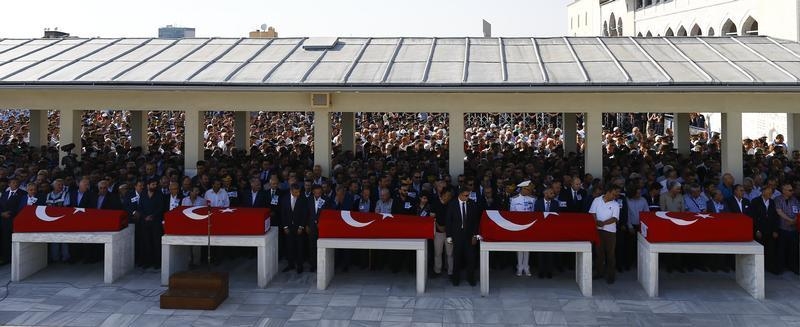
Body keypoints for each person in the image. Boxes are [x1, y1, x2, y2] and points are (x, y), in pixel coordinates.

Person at [446, 188, 480, 286]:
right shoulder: (452, 204)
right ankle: (456, 279)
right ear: (460, 195)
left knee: (471, 258)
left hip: (469, 235)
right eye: (466, 195)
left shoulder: (472, 204)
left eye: (468, 195)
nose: (467, 197)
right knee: (457, 258)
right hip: (457, 235)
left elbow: (475, 221)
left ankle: (471, 278)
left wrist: (475, 235)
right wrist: (449, 235)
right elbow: (449, 220)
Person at [590, 184, 620, 284]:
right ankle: (599, 273)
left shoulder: (615, 204)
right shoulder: (597, 200)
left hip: (610, 232)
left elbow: (615, 218)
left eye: (616, 195)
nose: (615, 197)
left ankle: (611, 276)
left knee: (610, 254)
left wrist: (603, 223)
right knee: (599, 253)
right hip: (597, 230)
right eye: (614, 194)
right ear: (608, 192)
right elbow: (592, 213)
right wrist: (596, 222)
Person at [749, 185, 780, 274]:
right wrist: (757, 230)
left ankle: (769, 267)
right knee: (759, 250)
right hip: (760, 230)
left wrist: (775, 230)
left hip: (770, 230)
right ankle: (758, 268)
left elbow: (775, 217)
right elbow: (753, 217)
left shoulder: (772, 202)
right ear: (763, 192)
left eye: (771, 192)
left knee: (770, 250)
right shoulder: (755, 201)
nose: (770, 194)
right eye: (768, 192)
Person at [68, 178, 97, 263]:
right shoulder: (71, 193)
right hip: (73, 220)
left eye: (88, 184)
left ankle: (88, 258)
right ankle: (74, 257)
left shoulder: (92, 195)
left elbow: (93, 207)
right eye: (85, 184)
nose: (87, 186)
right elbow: (68, 206)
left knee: (86, 239)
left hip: (86, 220)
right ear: (78, 184)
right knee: (73, 239)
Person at [509, 180, 535, 277]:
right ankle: (519, 267)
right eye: (526, 189)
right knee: (519, 247)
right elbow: (512, 213)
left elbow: (534, 213)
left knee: (527, 248)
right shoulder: (514, 199)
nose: (528, 191)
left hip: (529, 226)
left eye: (529, 189)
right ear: (522, 189)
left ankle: (526, 267)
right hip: (518, 226)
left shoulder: (533, 199)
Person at [281, 183, 308, 273]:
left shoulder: (303, 199)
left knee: (300, 247)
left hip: (299, 227)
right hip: (288, 227)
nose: (298, 194)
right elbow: (283, 214)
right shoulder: (284, 199)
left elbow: (305, 214)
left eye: (299, 192)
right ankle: (290, 265)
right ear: (291, 191)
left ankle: (300, 266)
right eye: (296, 192)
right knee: (289, 247)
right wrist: (285, 227)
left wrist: (301, 227)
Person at [139, 179, 165, 269]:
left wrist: (153, 215)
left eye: (155, 184)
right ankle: (147, 262)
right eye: (152, 184)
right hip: (145, 222)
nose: (154, 186)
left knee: (156, 243)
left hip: (156, 222)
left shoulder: (159, 194)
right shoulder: (143, 194)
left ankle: (157, 263)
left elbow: (161, 207)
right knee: (146, 242)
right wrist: (144, 216)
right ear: (148, 185)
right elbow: (140, 207)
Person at [534, 187, 559, 278]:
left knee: (550, 252)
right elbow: (535, 216)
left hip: (551, 231)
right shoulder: (538, 202)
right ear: (545, 194)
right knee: (540, 252)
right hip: (540, 230)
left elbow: (557, 217)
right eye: (551, 193)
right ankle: (541, 271)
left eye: (553, 193)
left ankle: (549, 271)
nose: (553, 194)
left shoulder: (555, 203)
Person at [0, 178, 26, 264]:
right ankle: (5, 258)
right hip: (3, 221)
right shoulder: (4, 193)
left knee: (13, 240)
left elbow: (21, 207)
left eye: (17, 183)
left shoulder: (23, 194)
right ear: (9, 184)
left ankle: (14, 259)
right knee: (4, 240)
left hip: (14, 220)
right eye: (13, 182)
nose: (15, 184)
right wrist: (2, 213)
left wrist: (10, 213)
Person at [774, 183, 799, 274]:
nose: (792, 191)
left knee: (793, 249)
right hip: (782, 228)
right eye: (790, 190)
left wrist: (794, 221)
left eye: (792, 190)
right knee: (781, 249)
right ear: (783, 191)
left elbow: (798, 212)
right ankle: (780, 268)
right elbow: (779, 211)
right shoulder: (778, 199)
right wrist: (790, 220)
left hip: (793, 229)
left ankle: (792, 266)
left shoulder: (795, 200)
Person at [46, 179, 70, 263]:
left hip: (62, 220)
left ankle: (65, 257)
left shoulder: (66, 194)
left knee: (64, 239)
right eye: (58, 185)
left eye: (62, 185)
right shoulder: (48, 195)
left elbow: (66, 208)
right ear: (53, 186)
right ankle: (55, 258)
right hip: (51, 220)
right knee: (53, 239)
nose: (60, 186)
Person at [432, 188, 454, 278]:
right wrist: (438, 226)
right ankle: (437, 270)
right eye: (448, 195)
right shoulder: (435, 202)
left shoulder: (452, 203)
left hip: (449, 233)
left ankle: (450, 272)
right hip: (438, 233)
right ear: (443, 195)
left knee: (450, 253)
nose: (450, 197)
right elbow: (432, 217)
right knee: (438, 252)